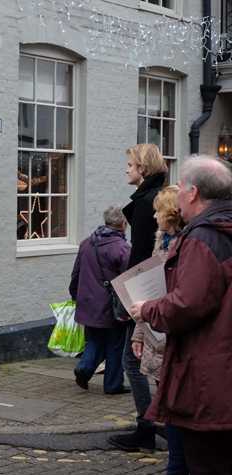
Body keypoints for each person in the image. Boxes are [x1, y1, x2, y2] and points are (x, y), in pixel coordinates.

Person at [130, 155, 232, 475]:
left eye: (183, 188)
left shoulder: (202, 238)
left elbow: (188, 304)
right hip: (221, 373)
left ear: (193, 193)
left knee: (206, 469)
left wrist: (146, 310)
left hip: (208, 380)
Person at [109, 143, 167, 453]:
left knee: (135, 362)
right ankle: (169, 426)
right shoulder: (154, 197)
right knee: (156, 360)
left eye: (130, 164)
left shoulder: (147, 203)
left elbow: (143, 258)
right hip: (155, 294)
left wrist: (126, 303)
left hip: (147, 295)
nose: (126, 169)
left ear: (143, 168)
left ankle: (149, 428)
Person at [130, 185, 188, 475]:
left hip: (175, 338)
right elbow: (149, 291)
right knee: (166, 403)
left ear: (172, 214)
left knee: (175, 408)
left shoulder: (186, 246)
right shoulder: (161, 243)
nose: (153, 216)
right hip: (156, 335)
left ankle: (177, 468)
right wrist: (139, 334)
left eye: (158, 211)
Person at [69, 205, 131, 394]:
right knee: (116, 344)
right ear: (123, 224)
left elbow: (76, 274)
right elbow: (128, 281)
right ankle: (113, 385)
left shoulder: (86, 243)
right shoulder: (122, 248)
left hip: (88, 303)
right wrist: (127, 309)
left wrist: (75, 296)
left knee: (95, 339)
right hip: (111, 306)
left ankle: (85, 367)